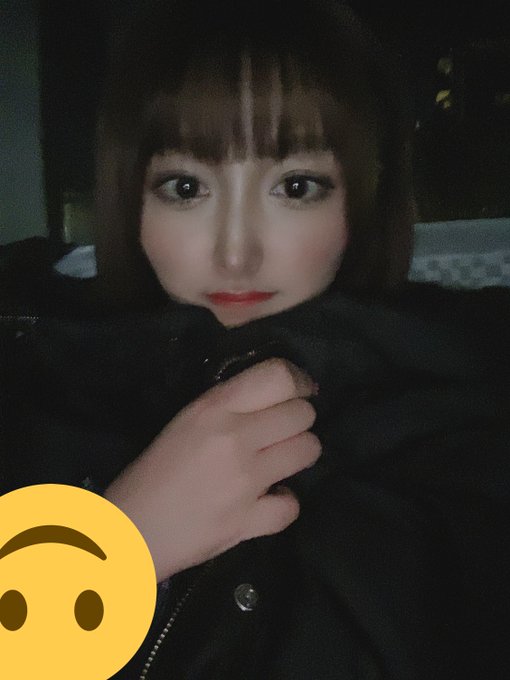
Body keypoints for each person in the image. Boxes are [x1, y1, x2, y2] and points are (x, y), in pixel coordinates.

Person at [1, 0, 509, 678]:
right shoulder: (35, 376)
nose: (235, 254)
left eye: (295, 186)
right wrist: (118, 546)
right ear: (131, 197)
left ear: (362, 200)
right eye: (186, 186)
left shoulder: (461, 406)